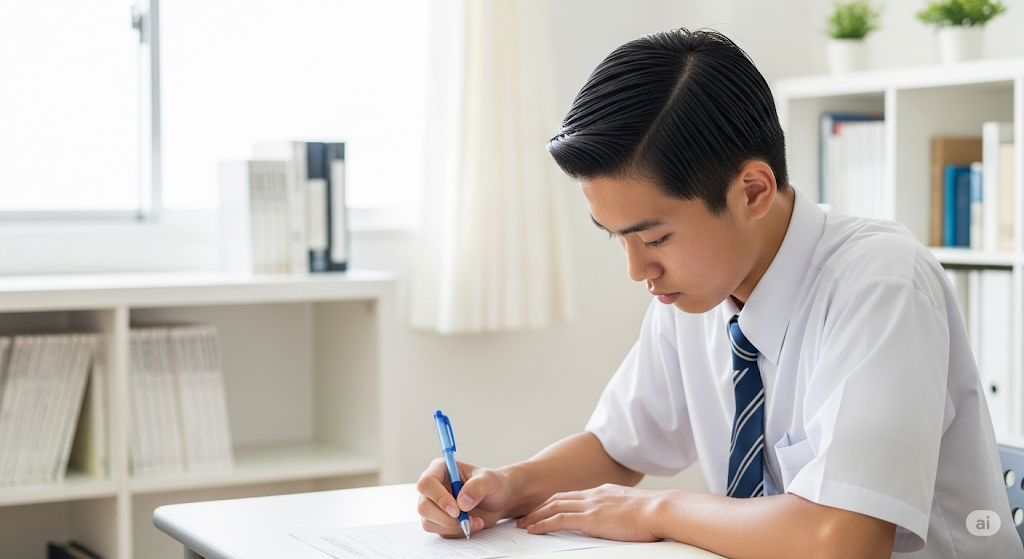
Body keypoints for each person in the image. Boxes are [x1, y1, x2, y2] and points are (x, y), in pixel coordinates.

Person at [416, 28, 1023, 558]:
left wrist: (654, 511)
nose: (636, 270)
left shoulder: (881, 284)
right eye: (616, 238)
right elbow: (619, 444)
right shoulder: (697, 289)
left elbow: (841, 541)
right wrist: (506, 484)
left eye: (653, 237)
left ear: (753, 190)